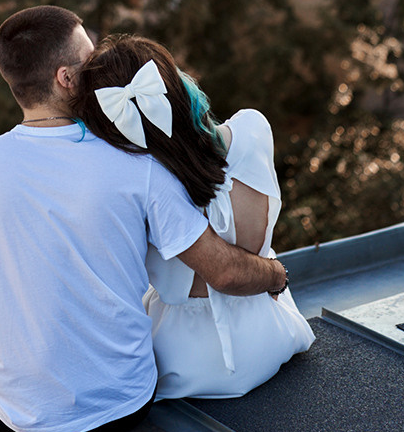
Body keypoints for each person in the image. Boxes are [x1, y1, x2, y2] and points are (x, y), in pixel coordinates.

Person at [0, 6, 290, 432]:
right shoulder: (137, 163)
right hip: (127, 403)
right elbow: (223, 270)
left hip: (22, 420)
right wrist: (277, 273)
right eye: (88, 62)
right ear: (66, 78)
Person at [71, 34, 314, 399]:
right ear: (175, 82)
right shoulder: (253, 128)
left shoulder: (137, 181)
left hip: (184, 361)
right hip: (270, 332)